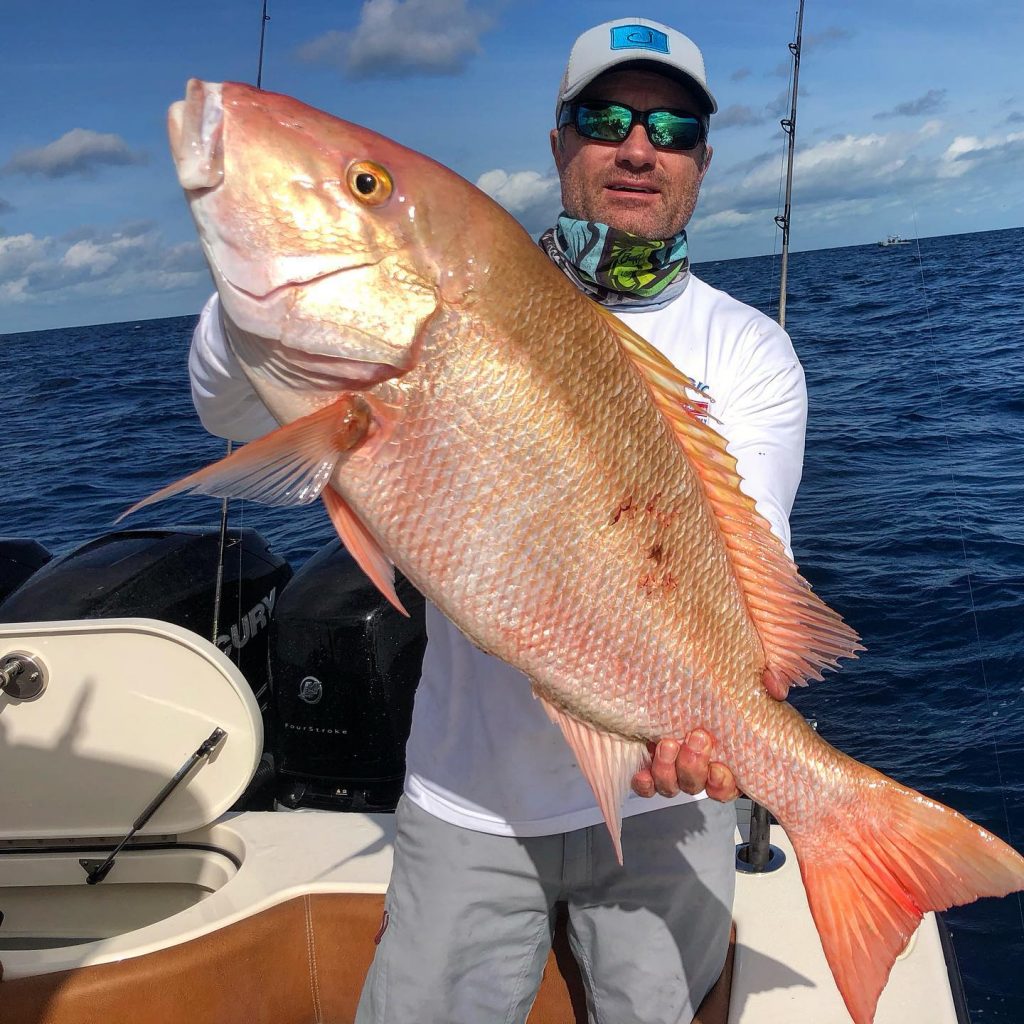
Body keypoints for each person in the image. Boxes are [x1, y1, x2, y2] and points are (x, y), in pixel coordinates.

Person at [188, 17, 806, 1024]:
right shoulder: (459, 288)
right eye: (604, 118)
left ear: (699, 157)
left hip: (666, 800)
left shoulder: (747, 349)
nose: (637, 146)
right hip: (466, 799)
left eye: (671, 126)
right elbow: (221, 402)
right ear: (561, 142)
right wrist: (262, 256)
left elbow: (754, 575)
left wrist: (720, 725)